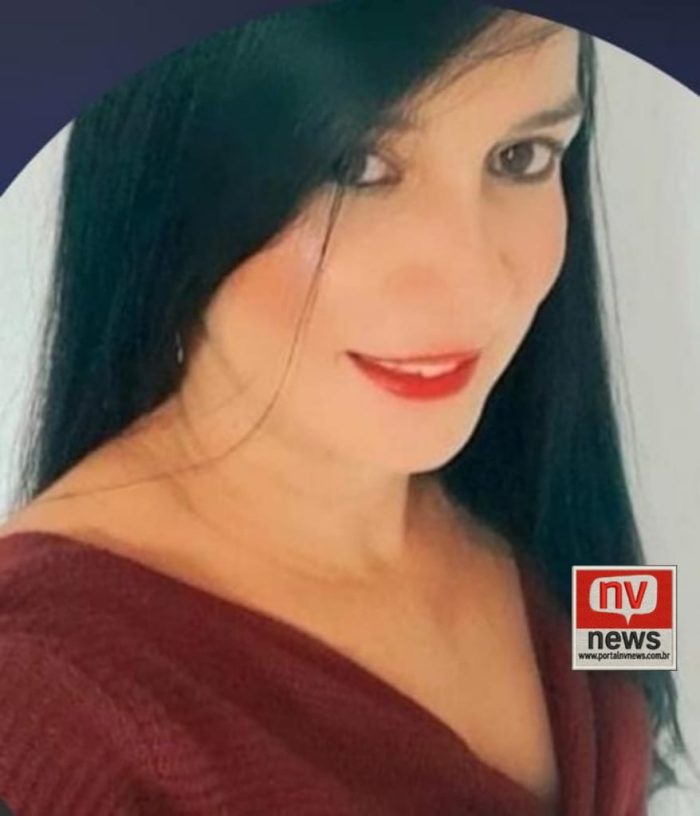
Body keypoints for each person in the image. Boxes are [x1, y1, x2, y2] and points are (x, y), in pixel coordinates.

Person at [0, 1, 689, 813]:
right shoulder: (43, 703)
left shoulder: (555, 508)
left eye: (521, 156)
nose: (474, 282)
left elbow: (635, 735)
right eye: (356, 168)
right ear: (170, 180)